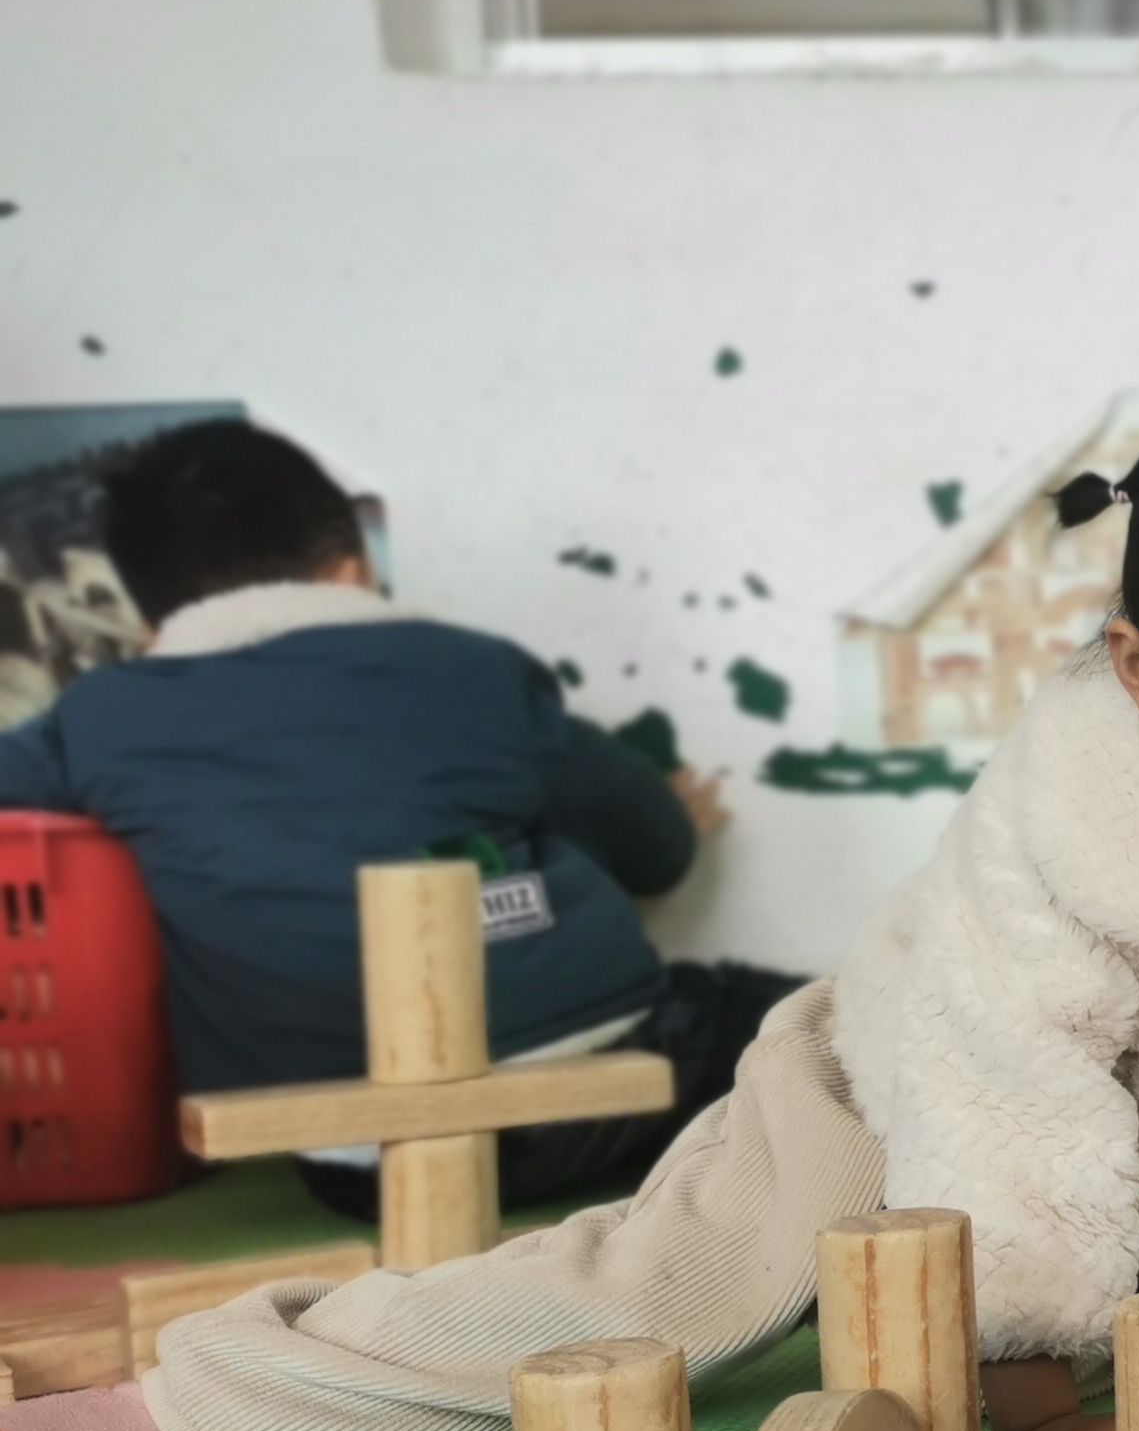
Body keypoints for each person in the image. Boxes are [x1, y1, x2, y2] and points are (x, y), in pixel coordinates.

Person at [0, 390, 1139, 1431]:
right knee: (640, 1305)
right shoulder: (1062, 824)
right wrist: (1032, 1412)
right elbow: (1000, 1101)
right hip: (879, 1097)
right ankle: (174, 1408)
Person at [0, 420, 779, 1217]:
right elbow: (657, 849)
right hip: (599, 1085)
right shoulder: (466, 669)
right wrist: (670, 814)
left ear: (150, 626)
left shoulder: (100, 719)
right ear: (354, 571)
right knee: (801, 1021)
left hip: (352, 1158)